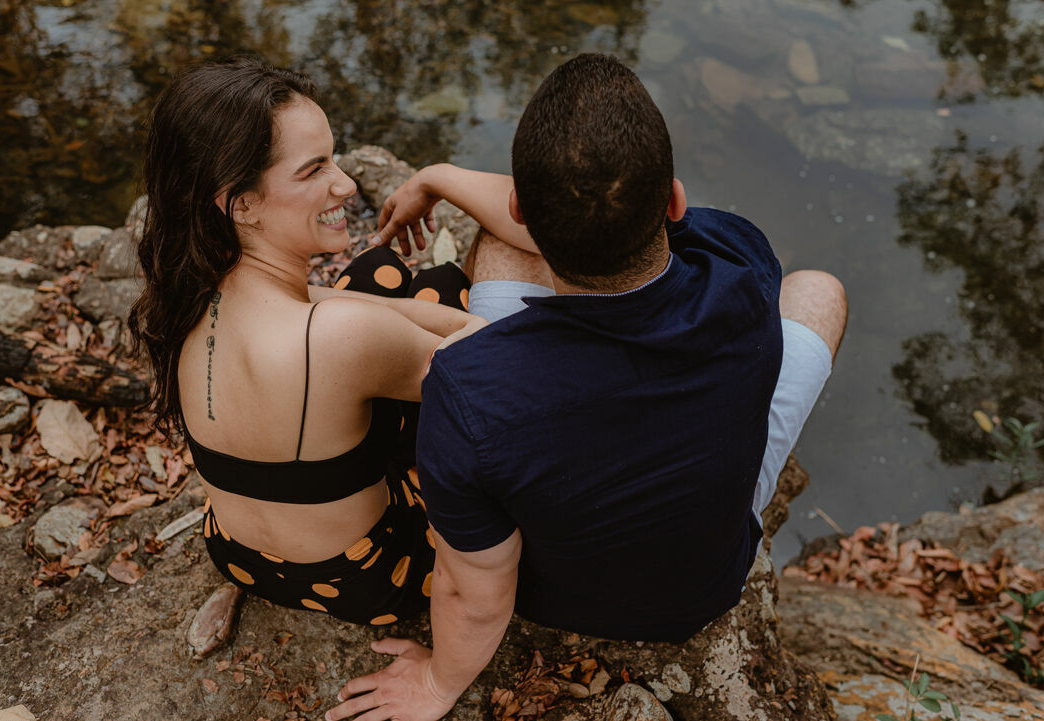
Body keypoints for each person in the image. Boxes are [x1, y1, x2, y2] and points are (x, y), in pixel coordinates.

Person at [326, 53, 847, 721]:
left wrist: (437, 684)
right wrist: (442, 178)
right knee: (817, 292)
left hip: (559, 595)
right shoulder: (740, 268)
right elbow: (622, 232)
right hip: (711, 573)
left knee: (502, 249)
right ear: (675, 202)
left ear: (519, 205)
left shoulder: (468, 390)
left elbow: (475, 590)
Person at [128, 57, 486, 626]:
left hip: (237, 554)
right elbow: (505, 362)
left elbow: (325, 310)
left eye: (335, 158)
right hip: (369, 579)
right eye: (314, 169)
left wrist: (390, 317)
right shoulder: (338, 338)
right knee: (459, 280)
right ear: (238, 202)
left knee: (375, 271)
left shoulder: (184, 293)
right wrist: (441, 180)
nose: (345, 184)